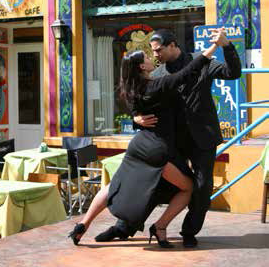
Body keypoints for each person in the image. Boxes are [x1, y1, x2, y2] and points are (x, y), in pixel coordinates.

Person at [95, 27, 241, 247]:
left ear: (173, 45)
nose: (155, 55)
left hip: (203, 137)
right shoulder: (157, 74)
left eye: (158, 50)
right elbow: (141, 100)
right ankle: (123, 227)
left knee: (201, 186)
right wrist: (136, 118)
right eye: (152, 52)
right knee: (151, 183)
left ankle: (189, 232)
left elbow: (233, 73)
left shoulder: (202, 61)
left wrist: (227, 46)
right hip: (172, 141)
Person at [68, 36, 220, 247]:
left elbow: (136, 111)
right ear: (141, 66)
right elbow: (187, 73)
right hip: (157, 149)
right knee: (188, 188)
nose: (152, 57)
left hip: (138, 146)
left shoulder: (129, 88)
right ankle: (160, 226)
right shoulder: (157, 84)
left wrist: (135, 118)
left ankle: (82, 225)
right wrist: (213, 47)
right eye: (147, 56)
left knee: (114, 186)